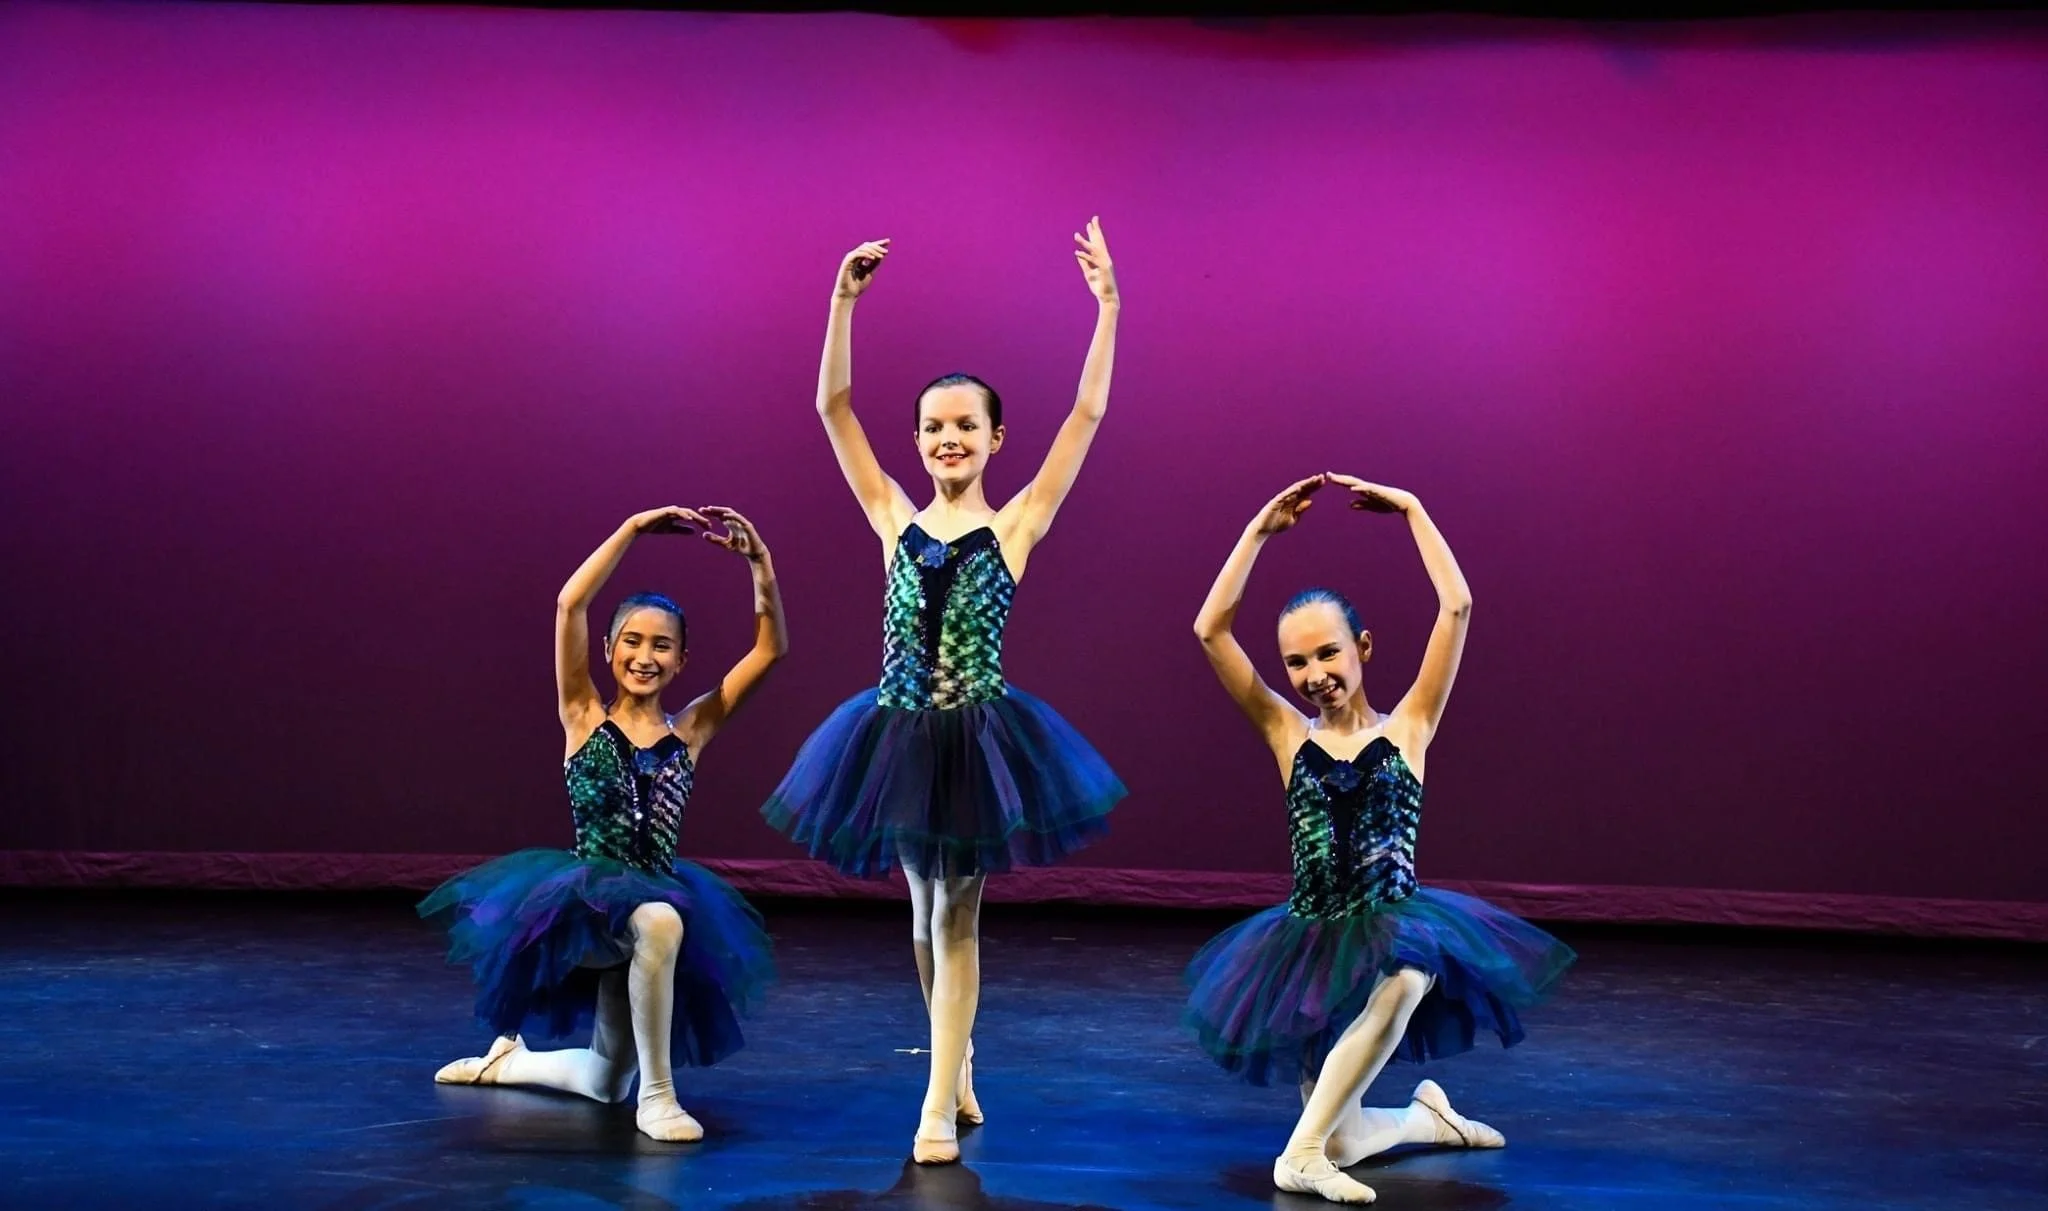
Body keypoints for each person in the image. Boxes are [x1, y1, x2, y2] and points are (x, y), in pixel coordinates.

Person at [761, 222, 1128, 1163]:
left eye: (965, 425)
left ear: (995, 437)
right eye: (933, 426)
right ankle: (952, 1059)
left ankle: (934, 1101)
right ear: (918, 441)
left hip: (974, 736)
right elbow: (833, 407)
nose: (948, 438)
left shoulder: (1016, 525)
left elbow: (1084, 419)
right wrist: (842, 303)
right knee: (921, 911)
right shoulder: (892, 517)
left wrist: (1108, 309)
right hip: (896, 734)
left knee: (958, 910)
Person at [1184, 473, 1575, 1203]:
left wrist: (1416, 511)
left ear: (1362, 646)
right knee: (1349, 1139)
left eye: (1328, 653)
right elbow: (1210, 630)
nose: (1313, 674)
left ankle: (1298, 1155)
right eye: (1297, 662)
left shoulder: (1410, 727)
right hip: (1313, 937)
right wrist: (1257, 534)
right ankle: (1425, 1119)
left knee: (1408, 974)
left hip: (1394, 919)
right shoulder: (1284, 733)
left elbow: (1456, 606)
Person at [422, 506, 785, 1142]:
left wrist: (760, 565)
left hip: (654, 912)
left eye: (662, 646)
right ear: (611, 650)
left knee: (603, 1081)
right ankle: (661, 1097)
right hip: (585, 912)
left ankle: (511, 1064)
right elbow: (569, 605)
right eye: (633, 642)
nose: (646, 656)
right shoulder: (583, 714)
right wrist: (632, 530)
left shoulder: (690, 730)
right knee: (659, 919)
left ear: (681, 660)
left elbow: (771, 649)